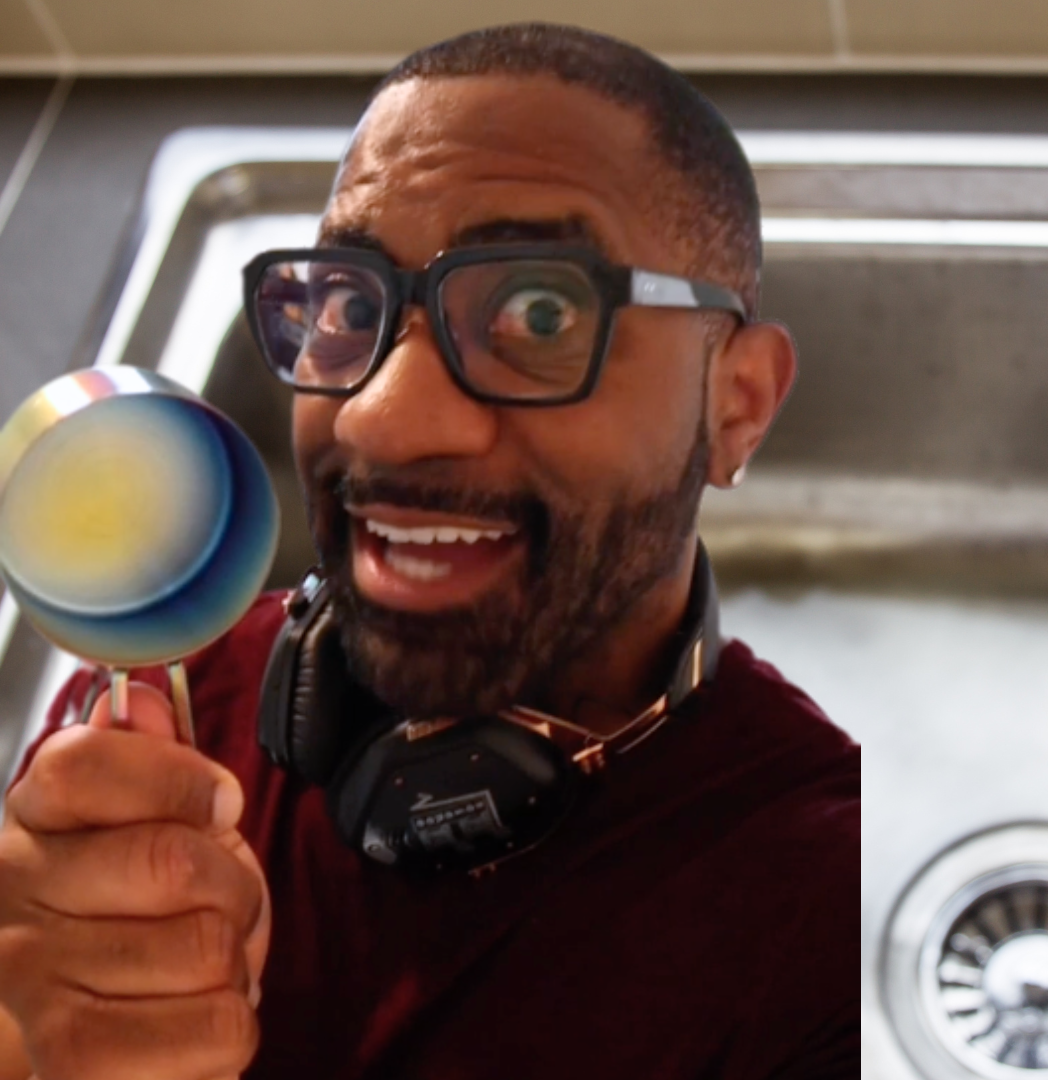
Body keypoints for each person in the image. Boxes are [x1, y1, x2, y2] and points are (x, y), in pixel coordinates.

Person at [0, 23, 858, 1080]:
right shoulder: (161, 707)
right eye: (351, 303)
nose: (379, 420)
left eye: (540, 308)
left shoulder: (821, 916)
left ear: (737, 405)